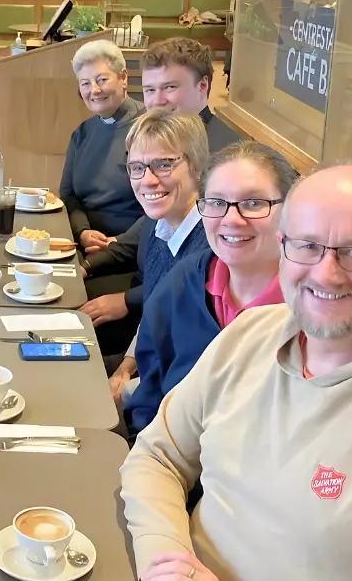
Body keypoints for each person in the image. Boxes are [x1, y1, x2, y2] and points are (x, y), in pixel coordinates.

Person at [121, 163, 352, 581]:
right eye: (306, 246)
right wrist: (167, 569)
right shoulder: (251, 335)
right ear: (283, 248)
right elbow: (156, 456)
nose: (326, 273)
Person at [123, 142, 294, 442]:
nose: (231, 219)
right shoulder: (183, 282)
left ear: (290, 211)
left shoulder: (309, 308)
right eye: (216, 202)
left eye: (254, 203)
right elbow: (149, 393)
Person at [79, 110, 212, 358]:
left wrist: (125, 386)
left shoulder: (210, 249)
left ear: (197, 167)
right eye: (137, 167)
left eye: (163, 165)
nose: (148, 181)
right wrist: (124, 369)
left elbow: (186, 361)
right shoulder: (157, 225)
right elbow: (152, 319)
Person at [58, 39, 146, 250]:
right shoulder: (82, 133)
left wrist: (119, 241)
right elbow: (68, 195)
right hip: (82, 241)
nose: (94, 90)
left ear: (123, 78)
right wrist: (83, 232)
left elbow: (166, 204)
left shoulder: (150, 127)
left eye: (102, 79)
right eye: (85, 83)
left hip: (132, 246)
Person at [140, 37, 240, 152]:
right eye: (150, 90)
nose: (157, 101)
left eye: (169, 87)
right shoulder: (140, 144)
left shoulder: (230, 156)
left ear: (202, 85)